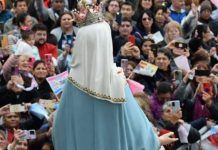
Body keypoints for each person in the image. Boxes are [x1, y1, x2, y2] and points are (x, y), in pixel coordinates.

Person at [52, 4, 177, 150]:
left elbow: (58, 131)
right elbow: (137, 131)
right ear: (106, 43)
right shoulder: (116, 82)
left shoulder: (71, 82)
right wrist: (157, 141)